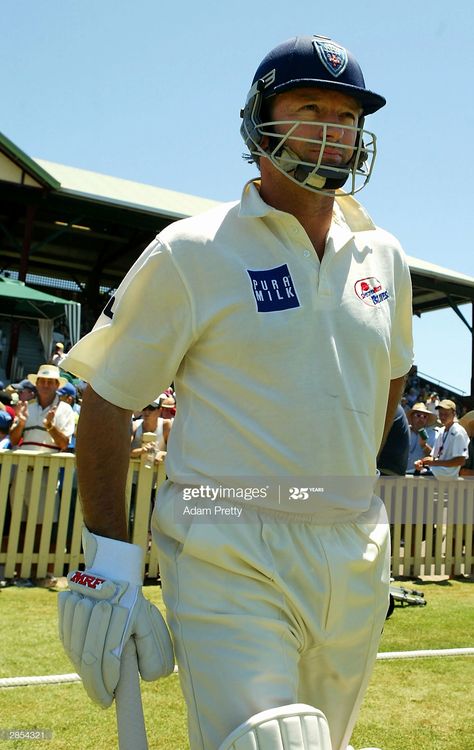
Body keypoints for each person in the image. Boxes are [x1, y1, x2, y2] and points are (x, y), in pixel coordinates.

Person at [58, 35, 413, 750]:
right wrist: (113, 561)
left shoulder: (386, 257)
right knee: (266, 741)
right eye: (310, 107)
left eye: (346, 116)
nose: (332, 129)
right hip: (229, 540)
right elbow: (108, 397)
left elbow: (389, 383)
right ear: (259, 123)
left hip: (351, 545)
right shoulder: (193, 250)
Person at [415, 399, 469, 478]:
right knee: (415, 470)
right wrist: (422, 462)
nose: (442, 416)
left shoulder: (459, 431)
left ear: (454, 414)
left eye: (446, 414)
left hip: (447, 475)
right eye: (440, 413)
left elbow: (461, 461)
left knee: (413, 475)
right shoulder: (441, 431)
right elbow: (435, 458)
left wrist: (434, 462)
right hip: (438, 472)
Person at [405, 402, 438, 474]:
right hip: (400, 473)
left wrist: (424, 446)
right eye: (418, 415)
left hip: (419, 475)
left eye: (425, 416)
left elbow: (435, 459)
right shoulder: (404, 431)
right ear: (412, 417)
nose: (421, 418)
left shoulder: (433, 435)